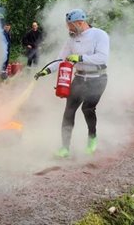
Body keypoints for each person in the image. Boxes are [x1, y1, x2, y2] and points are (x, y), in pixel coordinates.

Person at [34, 9, 109, 158]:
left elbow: (102, 58)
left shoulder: (99, 35)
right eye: (68, 26)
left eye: (71, 26)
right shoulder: (71, 40)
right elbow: (61, 59)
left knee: (88, 109)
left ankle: (92, 139)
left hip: (97, 79)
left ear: (80, 23)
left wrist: (80, 58)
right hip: (80, 78)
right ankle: (64, 148)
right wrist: (46, 71)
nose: (69, 29)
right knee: (69, 111)